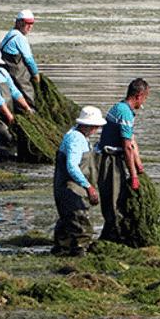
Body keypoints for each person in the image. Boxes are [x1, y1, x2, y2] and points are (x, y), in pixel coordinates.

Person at [96, 78, 149, 244]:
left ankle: (110, 236)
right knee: (114, 202)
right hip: (109, 160)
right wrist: (133, 175)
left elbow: (132, 142)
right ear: (138, 96)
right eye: (145, 98)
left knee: (116, 200)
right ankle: (114, 240)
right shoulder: (125, 113)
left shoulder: (121, 108)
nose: (145, 102)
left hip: (113, 158)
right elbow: (127, 147)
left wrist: (140, 169)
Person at [53, 106, 106, 257]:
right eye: (95, 126)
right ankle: (79, 256)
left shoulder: (78, 136)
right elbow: (71, 166)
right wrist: (88, 186)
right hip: (71, 189)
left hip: (68, 188)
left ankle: (61, 253)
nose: (96, 129)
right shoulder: (76, 139)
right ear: (86, 125)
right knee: (81, 225)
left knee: (67, 224)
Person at [0, 9, 39, 107]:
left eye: (32, 23)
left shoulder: (10, 33)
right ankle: (30, 109)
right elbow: (29, 60)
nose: (30, 26)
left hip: (6, 71)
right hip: (16, 73)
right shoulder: (20, 38)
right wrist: (36, 75)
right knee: (26, 89)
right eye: (27, 23)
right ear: (19, 23)